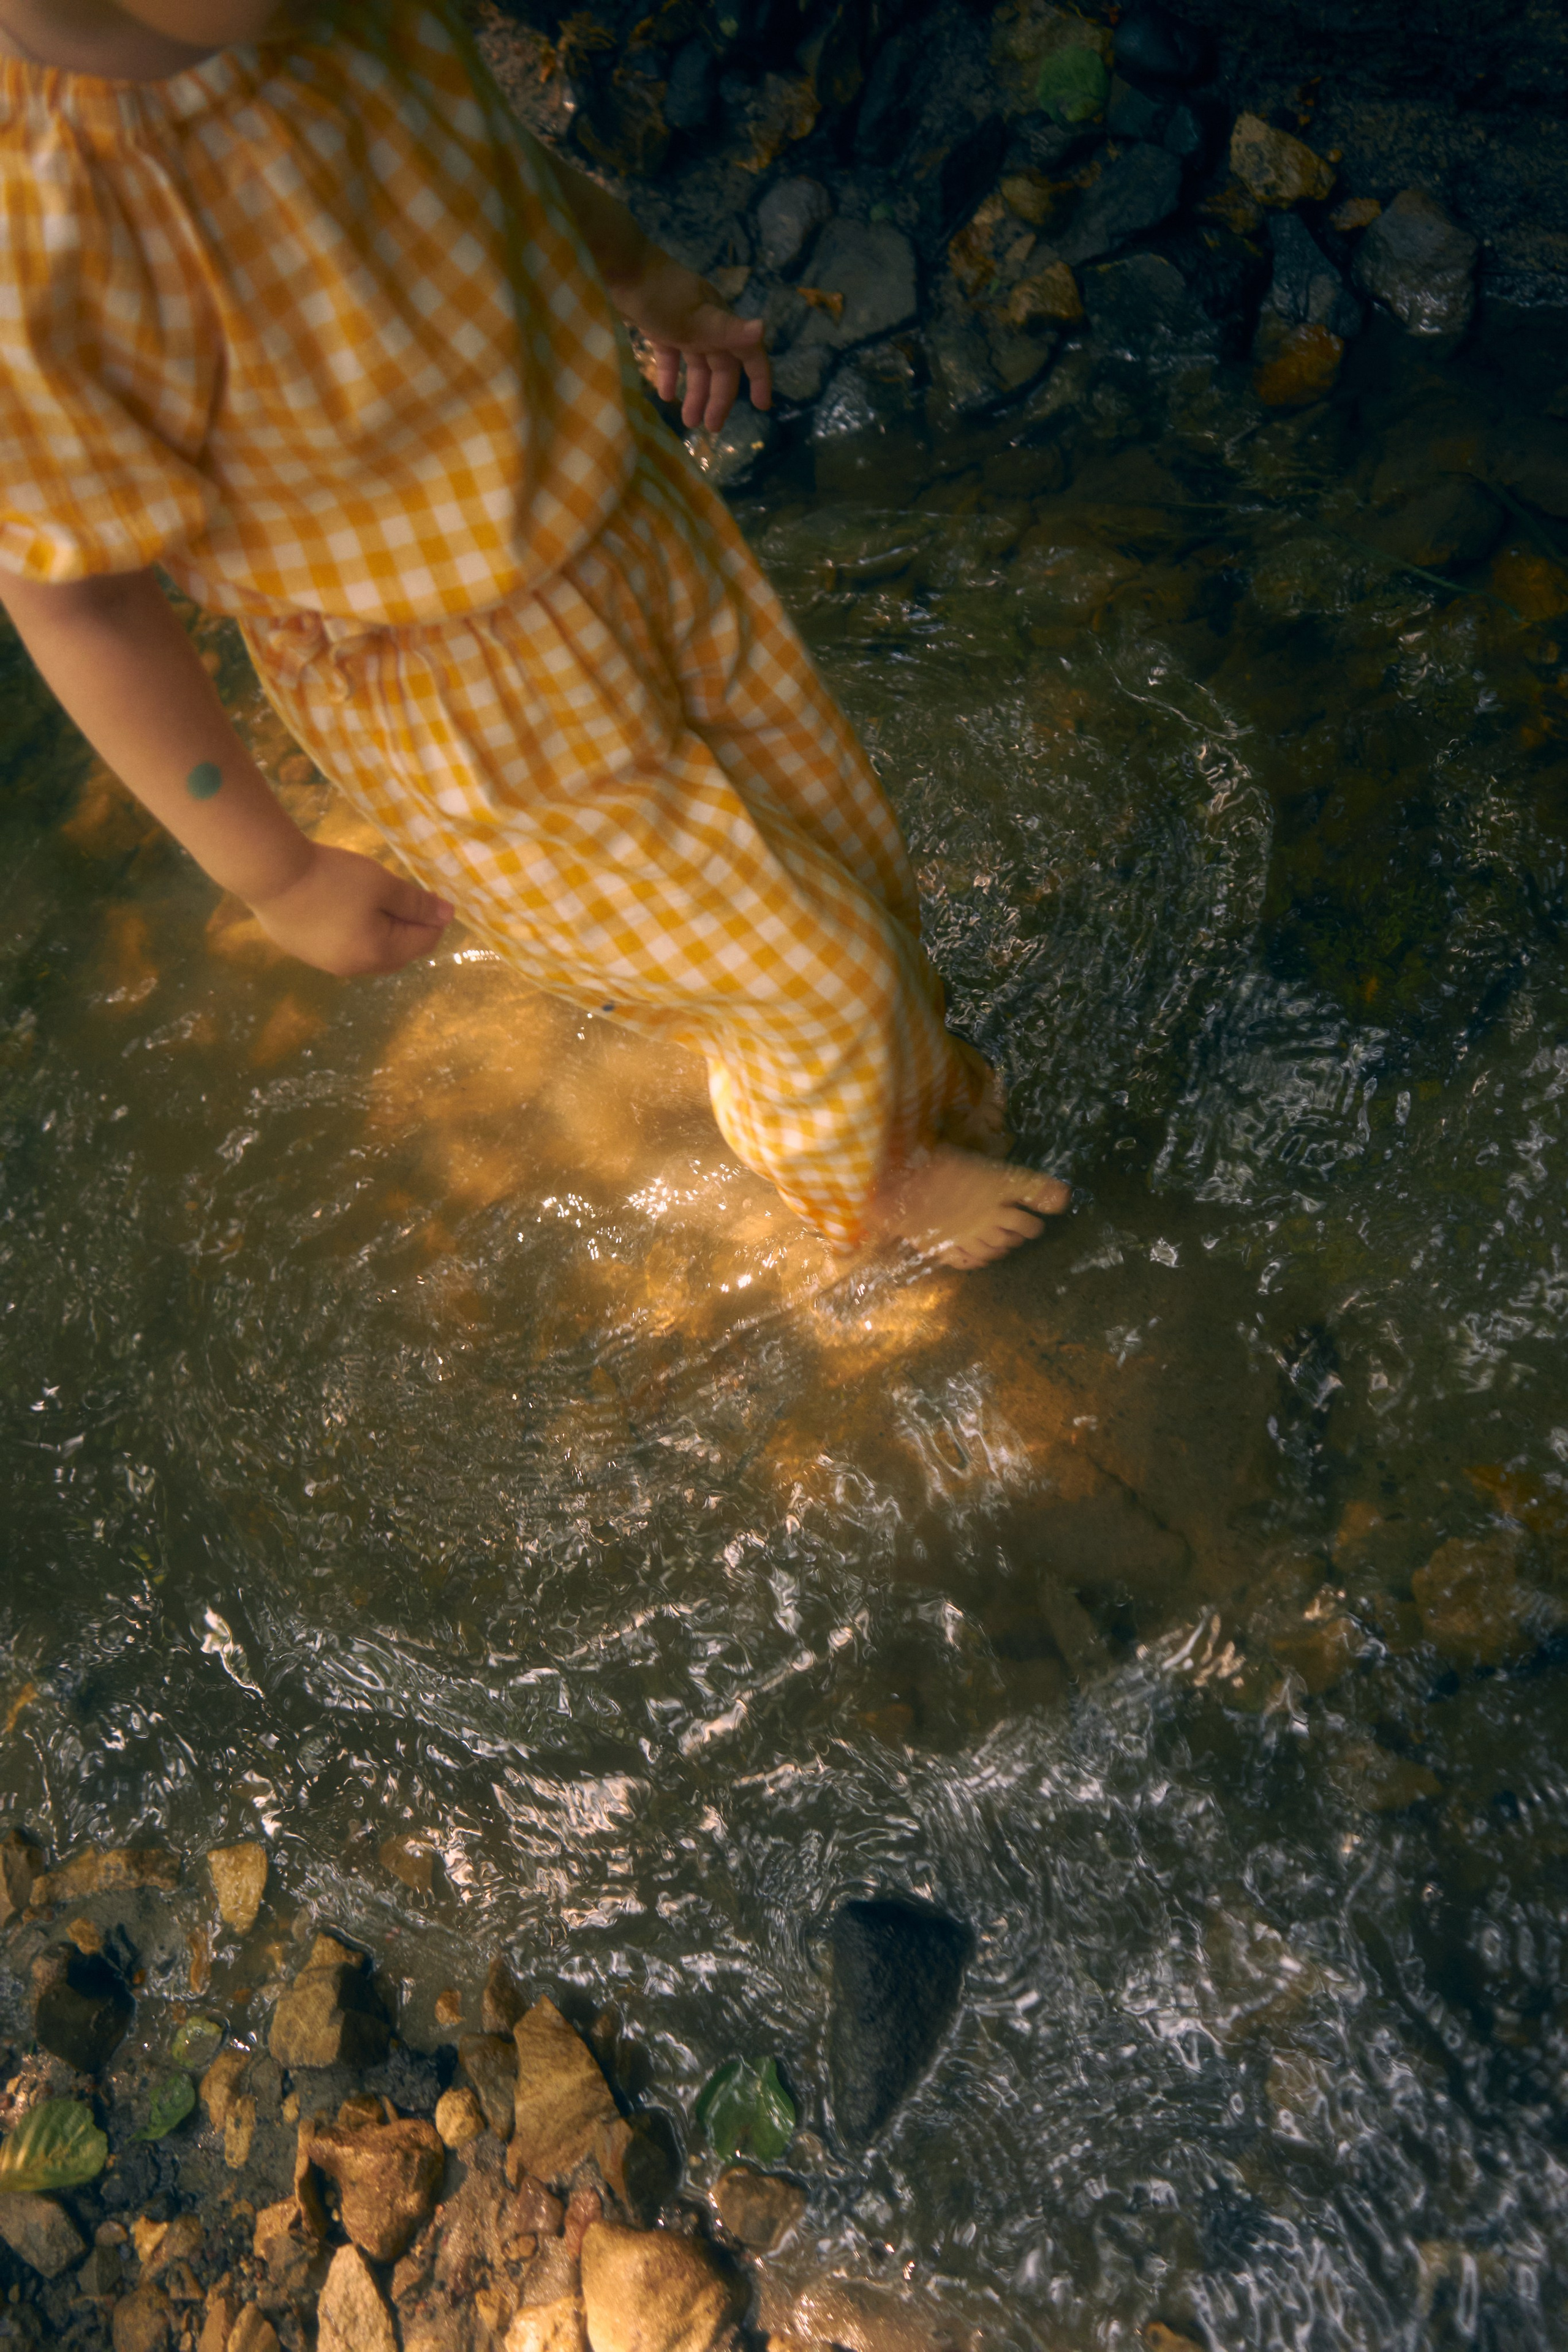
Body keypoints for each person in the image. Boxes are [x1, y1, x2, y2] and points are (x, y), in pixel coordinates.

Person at [0, 0, 1069, 1266]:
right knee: (804, 986)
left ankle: (904, 1093)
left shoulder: (321, 19)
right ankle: (868, 1201)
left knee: (843, 854)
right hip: (456, 683)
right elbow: (76, 592)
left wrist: (646, 283)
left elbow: (482, 165)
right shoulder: (37, 232)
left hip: (627, 524)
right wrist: (273, 873)